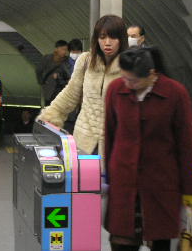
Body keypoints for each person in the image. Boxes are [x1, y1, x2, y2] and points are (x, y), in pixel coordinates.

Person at [104, 47, 192, 251]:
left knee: (160, 245)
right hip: (124, 181)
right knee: (123, 246)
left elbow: (186, 144)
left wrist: (190, 191)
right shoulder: (116, 90)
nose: (127, 84)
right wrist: (109, 176)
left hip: (162, 182)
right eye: (124, 77)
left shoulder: (175, 93)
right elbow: (110, 134)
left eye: (133, 80)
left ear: (151, 73)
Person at [38, 15, 127, 155]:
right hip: (85, 141)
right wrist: (50, 116)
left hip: (117, 144)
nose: (107, 43)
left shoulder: (130, 65)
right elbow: (71, 93)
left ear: (122, 39)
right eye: (102, 37)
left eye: (113, 37)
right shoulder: (86, 60)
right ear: (96, 39)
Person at [36, 40, 70, 106]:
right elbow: (38, 70)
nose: (64, 52)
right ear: (56, 49)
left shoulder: (67, 60)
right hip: (49, 91)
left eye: (66, 50)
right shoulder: (47, 58)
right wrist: (42, 82)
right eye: (62, 49)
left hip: (62, 91)